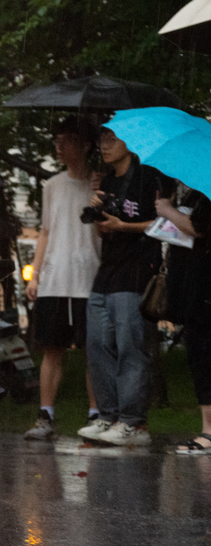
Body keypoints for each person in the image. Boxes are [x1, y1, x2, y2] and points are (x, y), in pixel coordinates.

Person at [79, 126, 167, 447]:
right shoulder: (107, 181)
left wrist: (124, 225)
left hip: (137, 271)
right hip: (108, 270)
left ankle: (134, 423)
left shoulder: (147, 178)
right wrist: (101, 214)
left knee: (131, 345)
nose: (105, 145)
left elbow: (164, 223)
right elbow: (103, 232)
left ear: (131, 142)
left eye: (111, 139)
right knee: (97, 342)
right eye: (101, 138)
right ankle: (108, 415)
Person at [24, 121, 100, 441]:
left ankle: (97, 416)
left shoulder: (101, 184)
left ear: (85, 145)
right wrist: (36, 273)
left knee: (93, 351)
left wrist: (99, 197)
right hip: (55, 277)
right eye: (56, 140)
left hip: (90, 276)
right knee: (51, 349)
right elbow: (45, 231)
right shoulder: (52, 184)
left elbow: (104, 230)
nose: (59, 147)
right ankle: (45, 416)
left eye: (67, 140)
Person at [158, 182, 211, 455]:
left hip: (203, 291)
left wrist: (167, 210)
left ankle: (209, 431)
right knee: (199, 354)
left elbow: (198, 226)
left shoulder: (206, 190)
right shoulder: (196, 191)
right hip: (195, 289)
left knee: (202, 355)